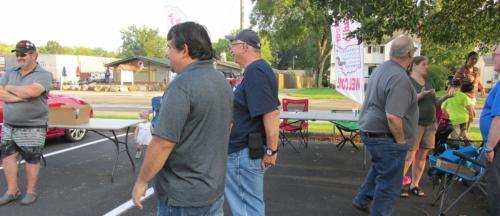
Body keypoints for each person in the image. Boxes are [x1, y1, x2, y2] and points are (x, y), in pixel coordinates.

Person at [131, 22, 233, 215]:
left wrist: (142, 181)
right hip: (213, 192)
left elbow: (162, 143)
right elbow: (226, 127)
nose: (166, 53)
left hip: (183, 200)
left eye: (169, 47)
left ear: (184, 49)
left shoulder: (182, 86)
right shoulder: (222, 82)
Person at [352, 35, 418, 215]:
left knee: (381, 168)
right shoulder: (399, 78)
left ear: (391, 52)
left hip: (371, 131)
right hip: (385, 135)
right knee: (389, 183)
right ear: (411, 53)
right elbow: (393, 116)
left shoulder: (381, 69)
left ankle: (362, 198)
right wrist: (401, 141)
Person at [224, 29, 280, 216]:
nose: (231, 50)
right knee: (248, 207)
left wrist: (272, 150)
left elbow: (271, 113)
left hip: (243, 153)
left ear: (244, 46)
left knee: (246, 209)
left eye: (233, 45)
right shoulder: (255, 71)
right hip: (244, 152)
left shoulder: (256, 71)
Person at [0, 40, 53, 205]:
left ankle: (30, 191)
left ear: (34, 55)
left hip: (33, 126)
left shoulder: (43, 74)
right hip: (9, 125)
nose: (19, 57)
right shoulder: (10, 71)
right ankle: (12, 191)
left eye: (23, 54)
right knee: (7, 157)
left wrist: (10, 88)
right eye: (17, 54)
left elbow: (32, 91)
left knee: (31, 159)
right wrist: (21, 97)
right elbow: (1, 93)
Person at [400, 56, 436, 198]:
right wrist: (420, 95)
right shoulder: (407, 81)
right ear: (414, 65)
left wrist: (446, 97)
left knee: (422, 156)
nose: (426, 67)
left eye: (427, 64)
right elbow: (404, 102)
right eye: (423, 64)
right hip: (415, 123)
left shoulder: (429, 82)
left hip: (430, 124)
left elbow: (434, 103)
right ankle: (399, 184)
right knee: (409, 156)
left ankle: (414, 184)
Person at [480, 44, 500, 216]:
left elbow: (498, 119)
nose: (493, 57)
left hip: (497, 146)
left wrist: (490, 147)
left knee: (495, 189)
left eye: (497, 54)